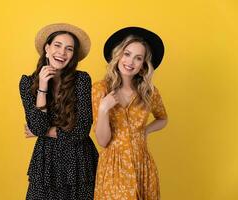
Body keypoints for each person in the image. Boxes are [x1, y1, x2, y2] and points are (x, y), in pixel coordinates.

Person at [19, 23, 98, 200]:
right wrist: (42, 87)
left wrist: (47, 131)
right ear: (46, 48)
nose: (62, 52)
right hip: (46, 162)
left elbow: (81, 130)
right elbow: (38, 127)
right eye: (57, 45)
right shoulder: (27, 83)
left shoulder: (81, 80)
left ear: (73, 56)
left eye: (69, 49)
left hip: (79, 162)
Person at [92, 27, 168, 200]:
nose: (130, 61)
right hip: (113, 168)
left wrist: (145, 131)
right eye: (127, 54)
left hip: (143, 166)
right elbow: (103, 141)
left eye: (138, 58)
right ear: (118, 55)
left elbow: (163, 118)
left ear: (143, 65)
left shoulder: (149, 92)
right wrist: (104, 109)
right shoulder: (100, 89)